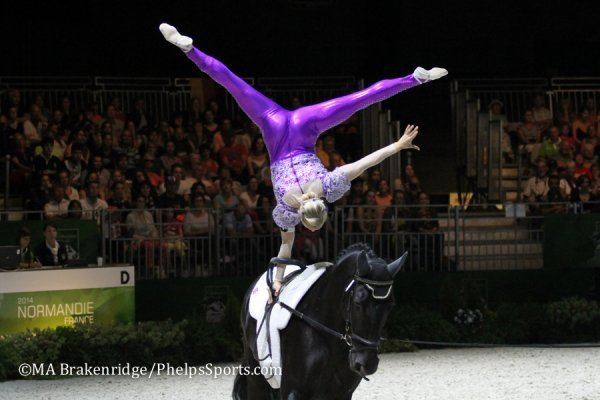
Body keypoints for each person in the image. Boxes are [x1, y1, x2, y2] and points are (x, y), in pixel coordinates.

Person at [160, 22, 446, 295]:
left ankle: (416, 77)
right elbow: (284, 250)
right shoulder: (286, 209)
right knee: (233, 85)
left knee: (360, 99)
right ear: (305, 222)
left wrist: (397, 145)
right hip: (273, 128)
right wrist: (276, 282)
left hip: (304, 126)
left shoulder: (328, 187)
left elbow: (366, 162)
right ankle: (188, 50)